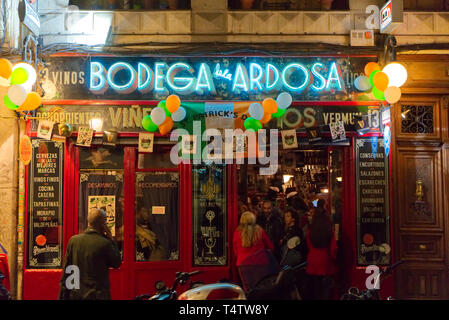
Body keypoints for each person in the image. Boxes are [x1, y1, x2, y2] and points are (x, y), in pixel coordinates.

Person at [59, 209, 121, 300]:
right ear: (103, 224)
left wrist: (62, 295)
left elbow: (67, 270)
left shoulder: (73, 241)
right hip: (98, 295)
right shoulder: (105, 243)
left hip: (76, 294)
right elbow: (117, 263)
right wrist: (111, 239)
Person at [233, 211, 276, 291]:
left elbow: (235, 252)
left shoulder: (237, 232)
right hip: (260, 263)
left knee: (248, 289)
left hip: (243, 264)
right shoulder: (260, 231)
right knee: (261, 287)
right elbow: (270, 247)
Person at [303, 199, 337, 300]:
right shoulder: (328, 228)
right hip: (325, 260)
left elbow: (308, 244)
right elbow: (333, 248)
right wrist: (334, 259)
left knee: (315, 288)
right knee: (325, 289)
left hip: (313, 260)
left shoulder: (311, 228)